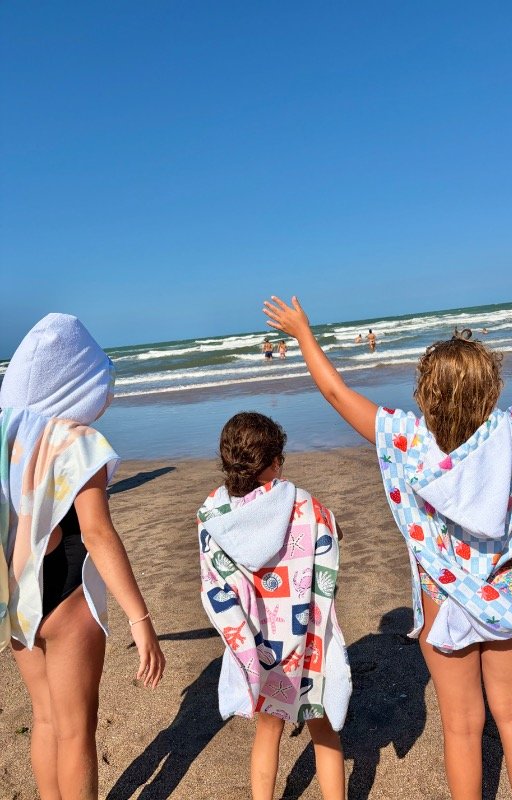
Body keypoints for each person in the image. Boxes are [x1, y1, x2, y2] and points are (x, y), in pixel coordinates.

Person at [262, 245, 512, 800]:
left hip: (444, 599)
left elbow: (336, 393)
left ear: (424, 393)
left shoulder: (407, 441)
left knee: (461, 726)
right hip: (508, 589)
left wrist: (303, 335)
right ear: (492, 388)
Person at [0, 313, 165, 800]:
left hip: (17, 593)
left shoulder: (6, 433)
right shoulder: (77, 441)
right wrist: (140, 618)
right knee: (76, 733)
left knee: (45, 719)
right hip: (68, 596)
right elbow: (97, 534)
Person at [197, 412, 351, 800]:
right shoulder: (304, 505)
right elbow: (332, 534)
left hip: (261, 648)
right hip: (308, 644)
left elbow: (214, 583)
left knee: (268, 730)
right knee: (323, 731)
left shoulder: (215, 517)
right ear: (274, 463)